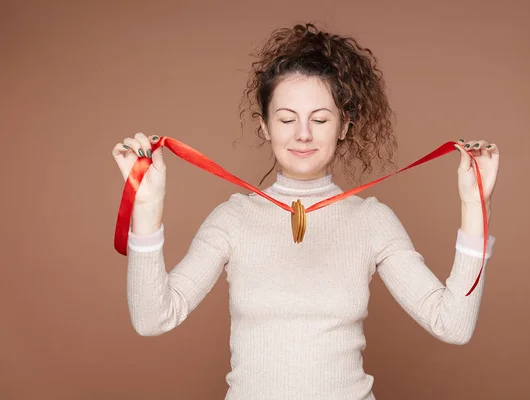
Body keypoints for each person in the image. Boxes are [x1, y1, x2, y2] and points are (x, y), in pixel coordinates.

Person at [111, 23, 500, 400]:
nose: (303, 134)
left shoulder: (371, 221)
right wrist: (146, 209)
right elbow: (152, 319)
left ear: (344, 126)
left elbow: (453, 324)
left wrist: (474, 205)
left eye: (319, 119)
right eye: (286, 119)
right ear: (264, 127)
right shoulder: (232, 220)